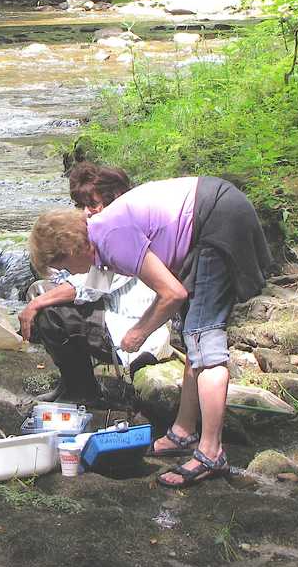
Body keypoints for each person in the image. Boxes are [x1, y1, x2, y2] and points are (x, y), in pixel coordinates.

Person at [28, 175, 271, 488]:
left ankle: (212, 453)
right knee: (192, 337)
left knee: (204, 339)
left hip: (219, 218)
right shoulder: (101, 235)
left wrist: (139, 332)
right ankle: (183, 432)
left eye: (62, 266)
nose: (67, 272)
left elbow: (172, 293)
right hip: (210, 218)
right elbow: (96, 289)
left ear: (70, 249)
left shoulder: (111, 236)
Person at [18, 163, 169, 404]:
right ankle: (73, 382)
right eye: (81, 206)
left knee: (49, 311)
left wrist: (36, 304)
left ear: (116, 198)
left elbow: (91, 285)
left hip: (131, 326)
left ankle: (82, 390)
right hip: (109, 313)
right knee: (41, 291)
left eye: (93, 205)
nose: (87, 213)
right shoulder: (107, 228)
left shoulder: (125, 232)